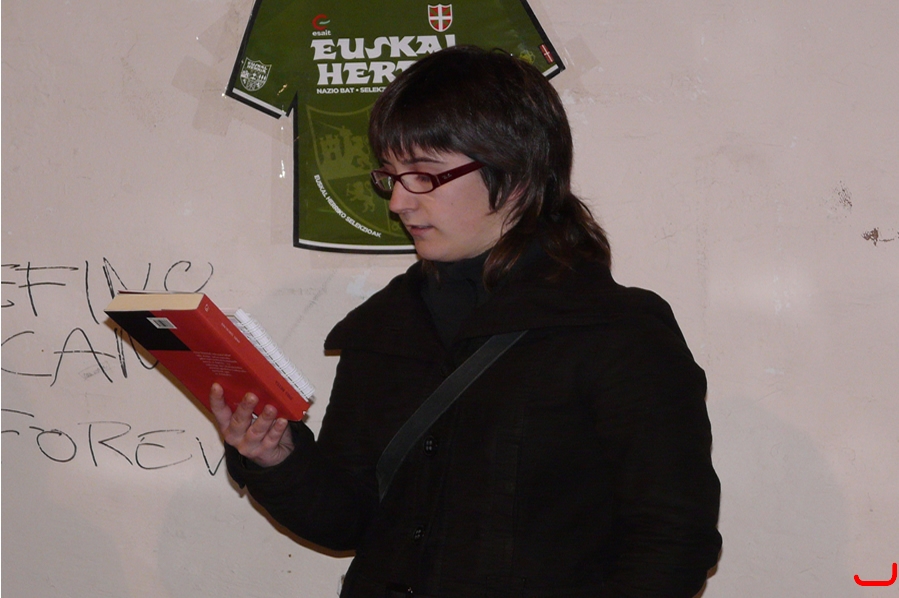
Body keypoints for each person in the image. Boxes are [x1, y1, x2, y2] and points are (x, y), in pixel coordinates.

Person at [211, 45, 722, 598]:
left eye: (424, 176)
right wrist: (277, 458)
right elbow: (350, 520)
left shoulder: (616, 332)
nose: (398, 203)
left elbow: (673, 542)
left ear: (516, 174)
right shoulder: (387, 327)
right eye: (392, 176)